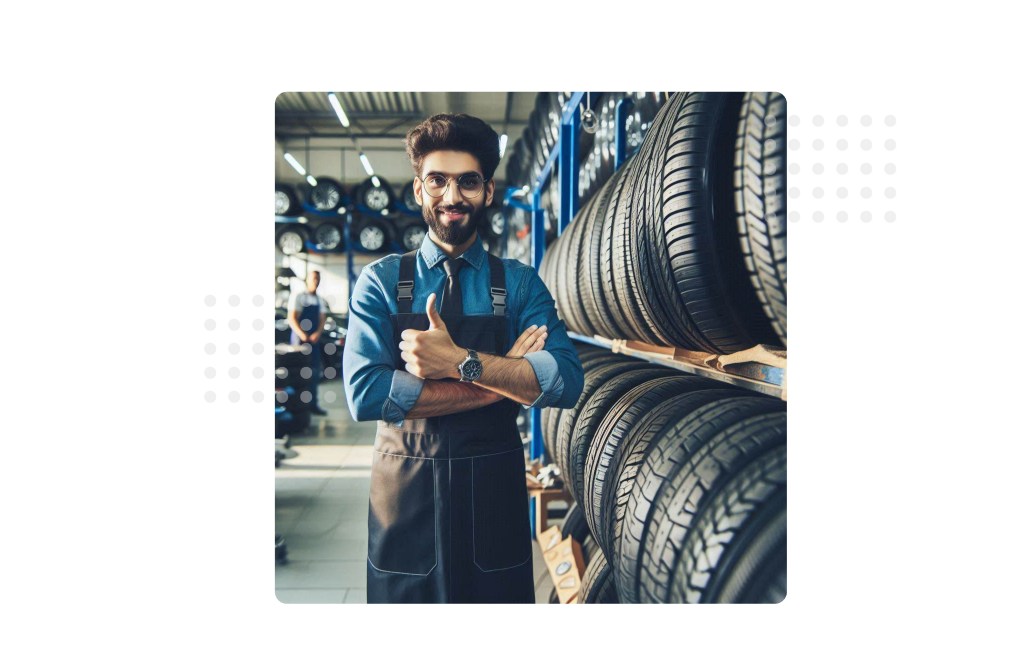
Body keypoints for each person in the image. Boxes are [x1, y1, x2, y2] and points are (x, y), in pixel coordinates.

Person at [343, 113, 585, 604]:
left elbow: (564, 382)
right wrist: (505, 374)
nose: (452, 197)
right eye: (437, 180)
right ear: (418, 189)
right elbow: (366, 395)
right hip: (403, 496)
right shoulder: (381, 282)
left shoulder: (519, 284)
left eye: (468, 182)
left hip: (491, 496)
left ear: (488, 192)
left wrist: (458, 361)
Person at [287, 270, 328, 416]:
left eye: (318, 278)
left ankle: (312, 405)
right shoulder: (299, 296)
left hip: (314, 342)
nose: (316, 280)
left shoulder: (319, 300)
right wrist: (302, 334)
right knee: (299, 375)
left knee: (314, 373)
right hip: (300, 342)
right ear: (308, 280)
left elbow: (322, 318)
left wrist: (317, 333)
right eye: (314, 278)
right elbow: (292, 318)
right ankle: (297, 407)